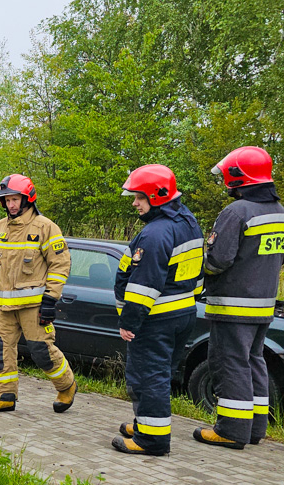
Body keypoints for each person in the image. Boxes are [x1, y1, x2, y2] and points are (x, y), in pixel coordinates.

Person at [194, 146, 284, 449]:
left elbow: (217, 261)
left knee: (229, 362)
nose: (224, 183)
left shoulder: (236, 213)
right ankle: (255, 427)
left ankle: (231, 430)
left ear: (238, 177)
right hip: (263, 305)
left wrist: (199, 267)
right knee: (253, 361)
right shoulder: (279, 211)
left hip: (233, 305)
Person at [111, 165, 204, 456]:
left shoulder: (155, 233)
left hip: (155, 318)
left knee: (148, 376)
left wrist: (130, 321)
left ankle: (151, 439)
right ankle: (146, 424)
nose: (134, 203)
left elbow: (144, 285)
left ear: (157, 196)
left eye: (139, 197)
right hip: (183, 312)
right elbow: (197, 273)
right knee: (160, 374)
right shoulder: (188, 221)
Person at [0, 174, 77, 414]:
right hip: (3, 306)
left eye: (15, 199)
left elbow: (60, 264)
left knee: (42, 352)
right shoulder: (0, 228)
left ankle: (66, 386)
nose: (11, 204)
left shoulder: (45, 227)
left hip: (34, 307)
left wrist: (51, 299)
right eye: (7, 200)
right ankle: (4, 396)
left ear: (27, 199)